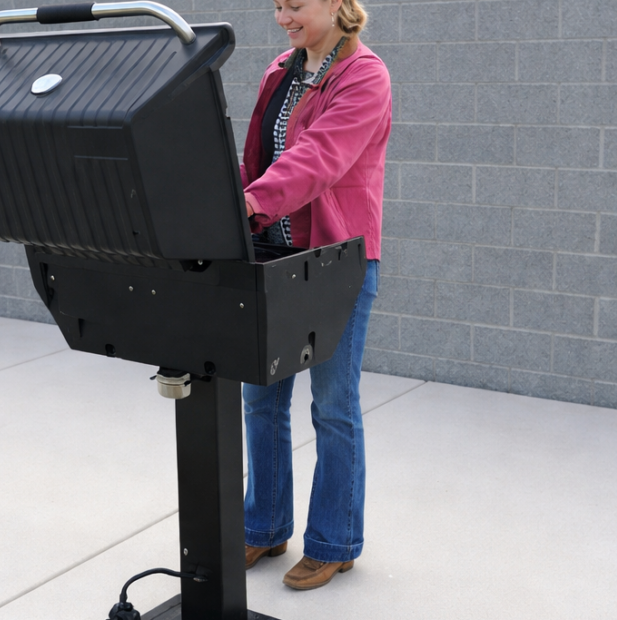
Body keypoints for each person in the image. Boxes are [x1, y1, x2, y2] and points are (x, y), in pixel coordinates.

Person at [240, 0, 392, 591]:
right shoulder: (280, 69)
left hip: (335, 260)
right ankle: (264, 525)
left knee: (332, 404)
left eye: (295, 4)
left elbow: (321, 156)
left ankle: (333, 541)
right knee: (261, 397)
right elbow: (263, 156)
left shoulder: (363, 74)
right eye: (276, 5)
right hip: (273, 257)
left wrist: (252, 202)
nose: (283, 16)